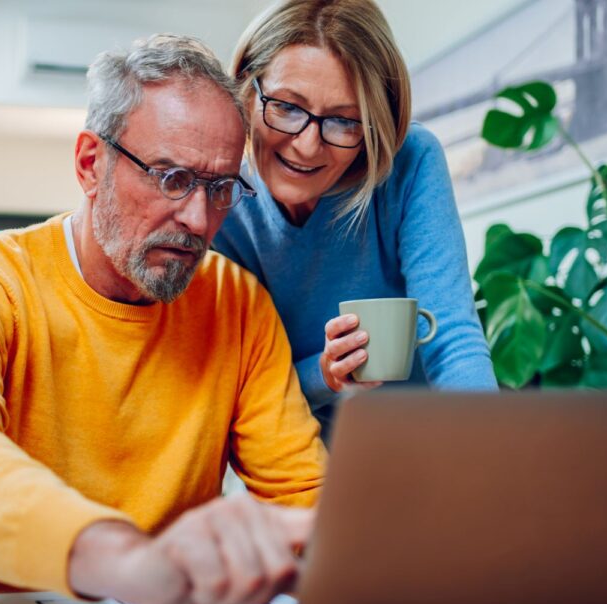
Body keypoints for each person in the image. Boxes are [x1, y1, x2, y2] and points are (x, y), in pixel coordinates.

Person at [0, 34, 326, 604]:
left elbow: (305, 500)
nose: (197, 218)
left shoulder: (238, 305)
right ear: (91, 163)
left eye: (219, 189)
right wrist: (131, 563)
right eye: (171, 178)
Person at [213, 0, 497, 436]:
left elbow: (453, 339)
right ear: (247, 91)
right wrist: (323, 374)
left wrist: (496, 450)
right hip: (305, 463)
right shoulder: (219, 200)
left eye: (344, 121)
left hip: (430, 442)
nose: (307, 146)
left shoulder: (411, 162)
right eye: (287, 107)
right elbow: (240, 393)